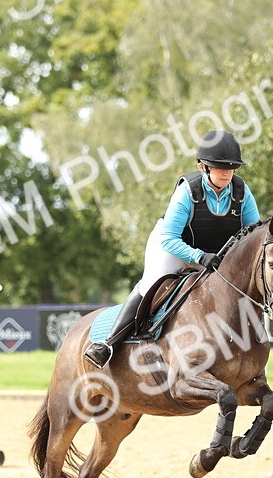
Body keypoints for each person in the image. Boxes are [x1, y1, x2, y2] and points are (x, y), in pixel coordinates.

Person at [84, 130, 261, 368]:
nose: (227, 172)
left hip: (214, 254)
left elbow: (253, 233)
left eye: (232, 167)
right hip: (173, 247)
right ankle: (108, 344)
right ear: (203, 167)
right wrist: (198, 256)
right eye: (220, 167)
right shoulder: (188, 190)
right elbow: (168, 238)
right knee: (150, 283)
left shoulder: (241, 192)